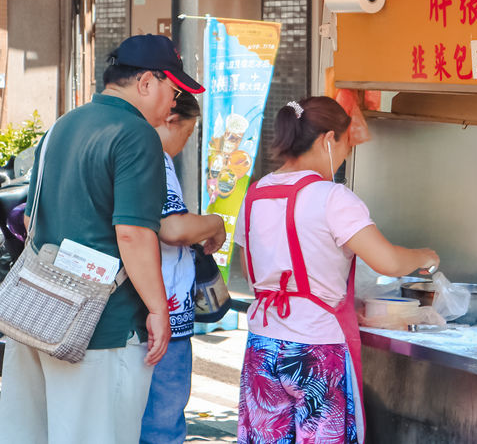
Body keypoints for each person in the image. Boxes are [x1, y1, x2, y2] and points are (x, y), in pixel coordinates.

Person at [0, 34, 204, 444]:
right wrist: (158, 310)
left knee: (30, 434)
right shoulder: (136, 134)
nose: (172, 105)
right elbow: (132, 234)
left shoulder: (63, 124)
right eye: (173, 89)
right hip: (101, 327)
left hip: (38, 314)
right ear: (147, 81)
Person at [236, 96, 438, 444]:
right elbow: (387, 261)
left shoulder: (255, 194)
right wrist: (423, 255)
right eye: (346, 145)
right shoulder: (332, 197)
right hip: (317, 348)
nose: (345, 155)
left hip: (263, 344)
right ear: (328, 139)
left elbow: (250, 269)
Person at [140, 91, 227, 444]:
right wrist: (214, 222)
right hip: (163, 317)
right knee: (161, 424)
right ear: (170, 119)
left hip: (137, 313)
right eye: (188, 134)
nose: (184, 143)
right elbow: (174, 229)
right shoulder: (154, 159)